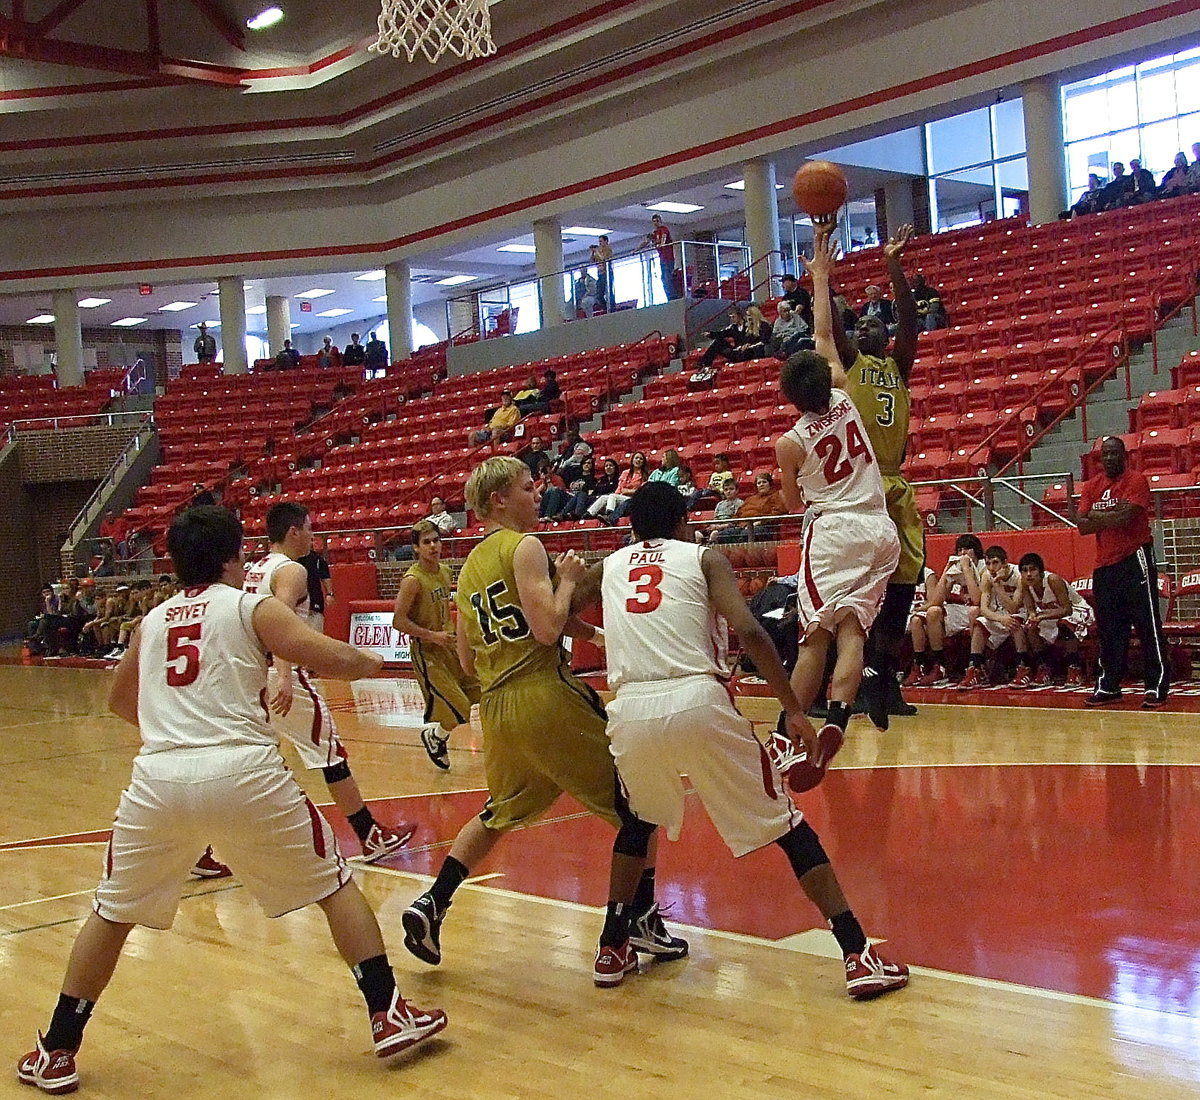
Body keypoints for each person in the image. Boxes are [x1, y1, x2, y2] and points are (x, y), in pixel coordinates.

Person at [15, 507, 446, 1095]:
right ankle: (387, 1011)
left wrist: (173, 730)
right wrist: (378, 660)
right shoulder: (248, 606)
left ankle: (57, 1048)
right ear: (229, 558)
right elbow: (325, 655)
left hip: (160, 777)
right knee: (333, 885)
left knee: (112, 911)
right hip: (243, 770)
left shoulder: (152, 621)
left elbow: (120, 700)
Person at [568, 481, 909, 997]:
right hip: (695, 698)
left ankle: (612, 945)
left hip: (631, 709)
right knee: (789, 827)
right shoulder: (704, 558)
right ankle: (858, 953)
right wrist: (792, 709)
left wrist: (592, 631)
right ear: (684, 522)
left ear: (631, 527)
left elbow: (548, 617)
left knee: (637, 823)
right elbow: (750, 631)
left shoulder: (608, 567)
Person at [400, 457, 684, 979]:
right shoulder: (525, 546)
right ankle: (635, 920)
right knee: (640, 800)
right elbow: (548, 626)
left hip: (499, 707)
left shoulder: (466, 572)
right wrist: (570, 578)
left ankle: (432, 903)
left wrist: (594, 635)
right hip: (545, 695)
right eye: (528, 487)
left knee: (497, 813)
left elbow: (467, 660)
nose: (538, 494)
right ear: (497, 502)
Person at [241, 502, 415, 864]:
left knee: (251, 759)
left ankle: (206, 847)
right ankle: (370, 836)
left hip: (252, 674)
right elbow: (282, 625)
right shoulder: (291, 571)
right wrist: (286, 676)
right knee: (330, 754)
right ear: (292, 532)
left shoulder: (255, 568)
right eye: (308, 529)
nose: (312, 536)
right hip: (282, 671)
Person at [773, 316, 900, 768]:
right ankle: (840, 720)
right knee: (853, 631)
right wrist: (821, 277)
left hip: (834, 533)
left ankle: (786, 735)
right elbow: (825, 336)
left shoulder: (789, 444)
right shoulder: (845, 398)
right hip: (881, 530)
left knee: (815, 635)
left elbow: (791, 503)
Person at [817, 221, 924, 727]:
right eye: (860, 327)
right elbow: (833, 326)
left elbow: (909, 322)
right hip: (863, 486)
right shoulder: (854, 362)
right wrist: (826, 277)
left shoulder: (898, 365)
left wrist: (893, 265)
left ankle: (884, 676)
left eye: (873, 324)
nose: (866, 328)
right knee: (870, 587)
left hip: (895, 483)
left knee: (908, 578)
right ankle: (861, 681)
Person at [1077, 435, 1168, 708]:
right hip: (1105, 565)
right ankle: (1109, 685)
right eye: (1105, 454)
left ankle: (1156, 685)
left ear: (1124, 456)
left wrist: (1097, 517)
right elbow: (1082, 525)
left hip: (1135, 559)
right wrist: (1108, 516)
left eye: (1114, 454)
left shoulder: (1136, 480)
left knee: (1147, 624)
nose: (1109, 459)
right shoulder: (1092, 486)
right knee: (1109, 628)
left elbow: (1125, 518)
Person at [392, 521, 480, 771]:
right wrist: (432, 635)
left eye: (436, 541)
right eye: (426, 542)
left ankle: (437, 737)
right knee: (460, 709)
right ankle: (435, 736)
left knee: (481, 695)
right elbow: (398, 621)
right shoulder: (412, 580)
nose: (433, 546)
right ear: (416, 548)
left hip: (449, 646)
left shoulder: (444, 571)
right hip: (427, 652)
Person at [1015, 552, 1093, 688]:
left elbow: (1067, 609)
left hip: (1078, 610)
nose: (1028, 574)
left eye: (1032, 569)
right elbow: (1031, 609)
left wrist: (1042, 616)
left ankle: (1074, 668)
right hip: (1051, 614)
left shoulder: (1053, 580)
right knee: (1030, 627)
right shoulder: (1024, 583)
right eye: (1024, 570)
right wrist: (1034, 616)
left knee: (1065, 623)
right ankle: (1044, 668)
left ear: (1041, 571)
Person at [918, 534, 986, 687]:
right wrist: (947, 570)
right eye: (960, 550)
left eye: (967, 549)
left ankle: (976, 666)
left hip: (980, 611)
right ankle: (939, 665)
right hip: (957, 611)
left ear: (976, 551)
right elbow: (935, 601)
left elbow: (977, 600)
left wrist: (967, 570)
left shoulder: (983, 567)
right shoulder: (955, 567)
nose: (963, 553)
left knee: (973, 610)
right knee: (933, 612)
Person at [957, 545, 1028, 689]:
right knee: (979, 623)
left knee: (1015, 623)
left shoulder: (1019, 576)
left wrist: (997, 586)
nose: (991, 567)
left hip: (1020, 612)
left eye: (995, 562)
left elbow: (1013, 607)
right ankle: (974, 669)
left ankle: (1023, 668)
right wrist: (1000, 619)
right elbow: (983, 608)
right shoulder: (986, 575)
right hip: (999, 615)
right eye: (988, 563)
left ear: (1005, 563)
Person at [587, 451, 648, 520]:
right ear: (632, 460)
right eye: (636, 458)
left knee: (612, 496)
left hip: (632, 499)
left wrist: (626, 491)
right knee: (604, 497)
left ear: (643, 462)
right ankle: (589, 514)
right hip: (621, 496)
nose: (638, 460)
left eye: (641, 459)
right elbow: (620, 488)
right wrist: (619, 494)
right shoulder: (625, 473)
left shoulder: (644, 476)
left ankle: (609, 515)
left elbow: (641, 491)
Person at [297, 543, 333, 635]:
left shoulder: (317, 559)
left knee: (315, 633)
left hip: (314, 603)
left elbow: (326, 577)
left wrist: (330, 594)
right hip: (297, 605)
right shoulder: (291, 560)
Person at [644, 214, 679, 301]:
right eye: (654, 221)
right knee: (664, 278)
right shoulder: (654, 233)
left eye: (657, 221)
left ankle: (673, 297)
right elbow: (646, 242)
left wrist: (662, 244)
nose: (656, 223)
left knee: (667, 277)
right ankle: (669, 296)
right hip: (662, 258)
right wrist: (636, 250)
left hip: (668, 258)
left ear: (660, 221)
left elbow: (664, 237)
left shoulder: (664, 229)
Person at [590, 235, 614, 310]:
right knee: (599, 294)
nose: (600, 243)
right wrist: (593, 252)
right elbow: (592, 260)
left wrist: (597, 252)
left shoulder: (608, 249)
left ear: (606, 241)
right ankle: (604, 308)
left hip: (606, 273)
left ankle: (611, 308)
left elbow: (604, 259)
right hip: (600, 273)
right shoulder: (599, 251)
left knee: (608, 291)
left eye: (601, 241)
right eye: (599, 242)